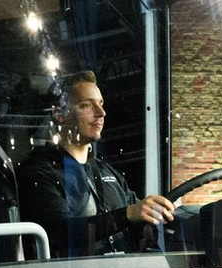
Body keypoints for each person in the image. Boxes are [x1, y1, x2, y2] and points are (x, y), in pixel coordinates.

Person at [17, 70, 174, 257]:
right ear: (59, 114)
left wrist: (157, 218)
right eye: (86, 105)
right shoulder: (39, 172)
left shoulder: (108, 174)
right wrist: (127, 215)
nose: (101, 113)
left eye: (100, 104)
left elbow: (138, 221)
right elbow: (61, 232)